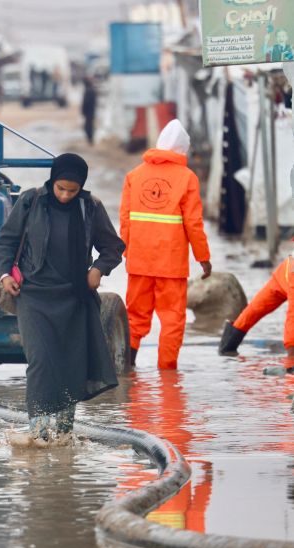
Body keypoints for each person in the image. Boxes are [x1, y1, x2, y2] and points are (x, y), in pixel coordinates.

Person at [0, 153, 124, 442]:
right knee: (40, 361)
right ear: (52, 181)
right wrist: (5, 276)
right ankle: (38, 434)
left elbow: (112, 248)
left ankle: (64, 435)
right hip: (34, 295)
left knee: (71, 362)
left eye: (72, 191)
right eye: (60, 188)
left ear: (81, 188)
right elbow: (6, 242)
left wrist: (98, 270)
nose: (65, 196)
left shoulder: (91, 207)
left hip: (75, 296)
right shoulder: (30, 202)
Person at [119, 119, 212, 370]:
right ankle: (168, 377)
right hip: (171, 264)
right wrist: (203, 257)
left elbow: (125, 219)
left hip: (139, 261)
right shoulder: (187, 178)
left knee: (135, 318)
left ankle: (127, 371)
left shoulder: (133, 176)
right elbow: (194, 223)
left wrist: (126, 252)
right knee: (172, 320)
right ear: (183, 149)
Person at [218, 255, 294, 356]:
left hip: (285, 271)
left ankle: (226, 349)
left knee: (254, 310)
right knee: (254, 311)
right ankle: (226, 350)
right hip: (287, 275)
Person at [81, 76, 97, 145]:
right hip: (91, 112)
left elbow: (86, 102)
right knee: (89, 126)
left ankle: (90, 140)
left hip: (89, 112)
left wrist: (83, 110)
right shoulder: (91, 90)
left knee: (88, 127)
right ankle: (90, 140)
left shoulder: (89, 91)